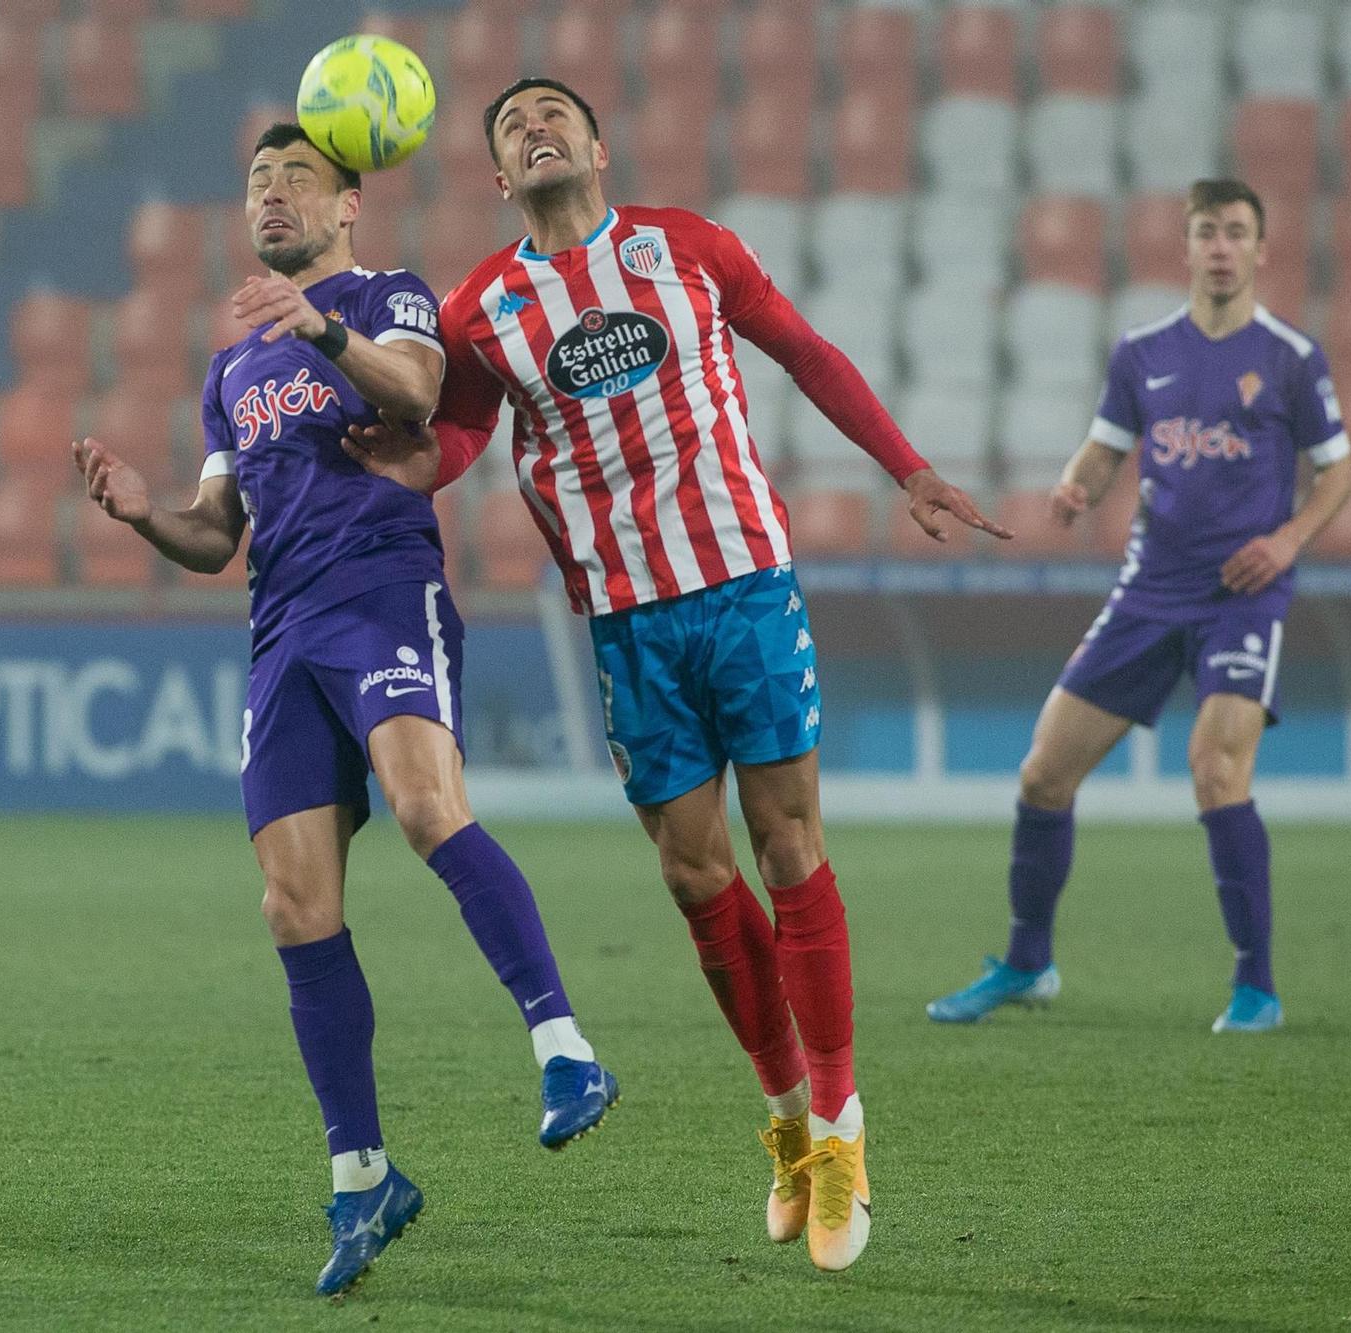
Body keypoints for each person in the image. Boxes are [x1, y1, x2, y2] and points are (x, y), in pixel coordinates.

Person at [345, 77, 1008, 1273]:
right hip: (623, 619)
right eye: (510, 126)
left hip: (744, 583)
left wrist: (904, 467)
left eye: (551, 113)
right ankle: (786, 1120)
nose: (533, 127)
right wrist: (397, 472)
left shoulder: (687, 249)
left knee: (788, 844)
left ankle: (843, 1125)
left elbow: (803, 351)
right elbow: (461, 436)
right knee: (694, 874)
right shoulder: (482, 308)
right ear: (499, 176)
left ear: (596, 144)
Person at [72, 123, 617, 1298]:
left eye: (296, 180)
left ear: (348, 205)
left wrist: (318, 322)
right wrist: (140, 512)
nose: (270, 196)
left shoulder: (390, 297)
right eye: (257, 181)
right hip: (280, 635)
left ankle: (564, 1051)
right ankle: (364, 1174)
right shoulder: (231, 372)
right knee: (291, 902)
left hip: (380, 588)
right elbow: (219, 538)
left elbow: (418, 392)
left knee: (429, 810)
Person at [926, 179, 1351, 1036]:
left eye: (1238, 232)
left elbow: (1338, 472)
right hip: (1149, 588)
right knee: (1044, 772)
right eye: (1208, 232)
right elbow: (1105, 449)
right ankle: (1027, 960)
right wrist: (1075, 487)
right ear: (1188, 248)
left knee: (1215, 768)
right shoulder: (1143, 351)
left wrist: (1288, 541)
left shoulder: (1290, 358)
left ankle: (1256, 985)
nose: (1223, 247)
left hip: (1243, 596)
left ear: (1261, 250)